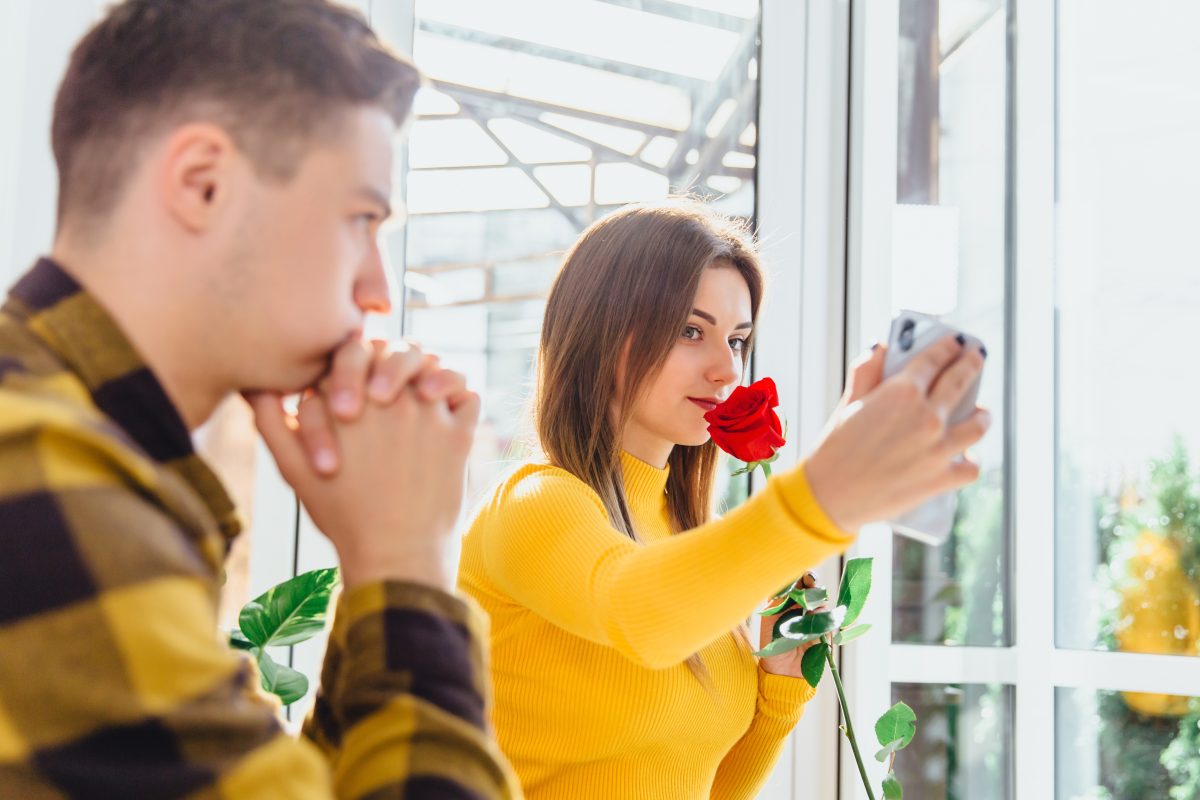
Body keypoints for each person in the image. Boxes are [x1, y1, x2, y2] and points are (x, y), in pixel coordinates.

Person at [0, 1, 518, 797]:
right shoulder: (38, 471)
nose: (378, 292)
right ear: (203, 186)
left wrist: (383, 565)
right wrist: (405, 561)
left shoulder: (72, 447)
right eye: (361, 218)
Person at [458, 200, 990, 799]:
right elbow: (640, 615)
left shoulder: (690, 537)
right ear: (603, 331)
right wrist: (821, 498)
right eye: (692, 331)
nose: (726, 369)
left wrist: (778, 691)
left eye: (737, 340)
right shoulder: (532, 504)